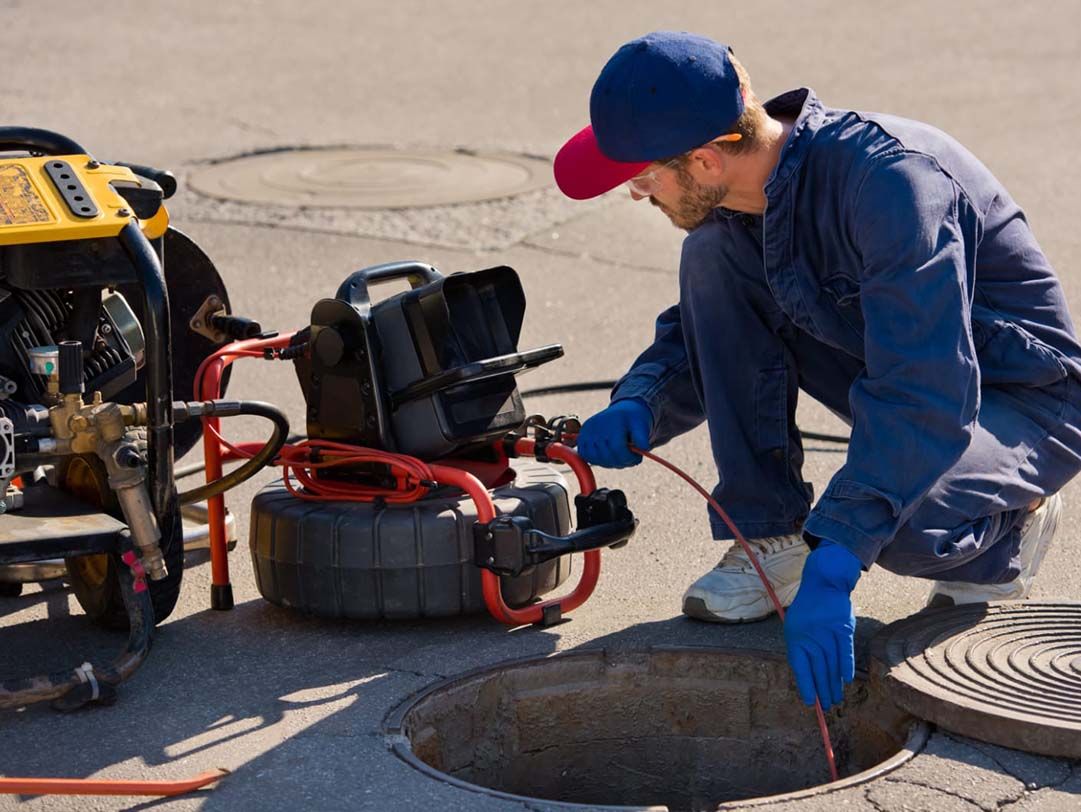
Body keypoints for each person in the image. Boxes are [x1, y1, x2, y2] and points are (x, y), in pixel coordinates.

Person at [553, 30, 1081, 712]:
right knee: (711, 255)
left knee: (897, 526)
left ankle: (1010, 523)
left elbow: (923, 391)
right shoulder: (748, 197)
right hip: (901, 368)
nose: (633, 193)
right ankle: (770, 536)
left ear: (707, 160)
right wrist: (643, 402)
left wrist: (837, 554)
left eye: (643, 176)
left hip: (1022, 400)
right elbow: (714, 328)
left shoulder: (892, 186)